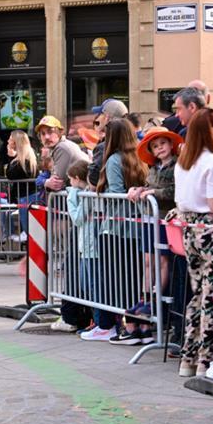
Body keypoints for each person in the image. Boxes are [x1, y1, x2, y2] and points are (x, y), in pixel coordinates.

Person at [113, 127, 182, 346]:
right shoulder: (153, 167)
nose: (159, 148)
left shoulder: (177, 166)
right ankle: (145, 296)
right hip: (148, 219)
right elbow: (149, 186)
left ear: (171, 145)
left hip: (164, 220)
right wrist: (138, 189)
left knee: (162, 260)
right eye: (155, 145)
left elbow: (174, 191)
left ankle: (154, 298)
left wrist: (152, 193)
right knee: (147, 260)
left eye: (163, 143)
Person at [80, 119, 148, 342]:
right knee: (136, 279)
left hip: (116, 228)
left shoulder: (113, 160)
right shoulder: (139, 158)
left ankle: (129, 328)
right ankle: (142, 327)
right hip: (137, 227)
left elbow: (117, 193)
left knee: (119, 280)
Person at [172, 108, 213, 377]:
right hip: (209, 229)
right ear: (212, 131)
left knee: (198, 294)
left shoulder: (184, 161)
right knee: (211, 296)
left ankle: (188, 358)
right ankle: (207, 359)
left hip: (189, 230)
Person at [63, 160, 99, 334]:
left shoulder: (84, 196)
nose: (69, 183)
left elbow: (77, 218)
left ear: (77, 178)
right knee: (86, 284)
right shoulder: (82, 194)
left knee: (92, 284)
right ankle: (95, 319)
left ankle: (98, 321)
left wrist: (77, 198)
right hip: (85, 244)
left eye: (70, 179)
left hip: (91, 245)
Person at [37, 115, 89, 191]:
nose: (47, 137)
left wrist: (45, 182)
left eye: (50, 131)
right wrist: (46, 182)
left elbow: (56, 184)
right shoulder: (58, 147)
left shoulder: (62, 147)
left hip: (84, 196)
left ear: (60, 132)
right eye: (43, 133)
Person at [5, 129, 38, 240]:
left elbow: (11, 175)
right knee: (29, 231)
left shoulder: (24, 158)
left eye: (10, 139)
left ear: (15, 142)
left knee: (29, 232)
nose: (7, 141)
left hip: (26, 197)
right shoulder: (27, 156)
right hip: (25, 196)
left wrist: (11, 158)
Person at [88, 99, 129, 187]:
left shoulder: (105, 146)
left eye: (100, 114)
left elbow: (94, 180)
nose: (98, 117)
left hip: (111, 198)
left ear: (107, 117)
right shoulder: (133, 142)